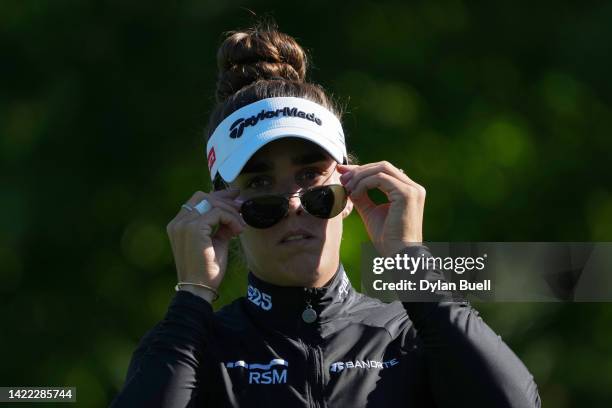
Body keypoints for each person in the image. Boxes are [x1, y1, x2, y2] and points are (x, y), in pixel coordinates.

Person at [110, 22, 541, 408]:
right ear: (222, 209)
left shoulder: (410, 336)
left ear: (349, 189)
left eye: (311, 176)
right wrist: (192, 294)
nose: (294, 203)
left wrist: (411, 263)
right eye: (260, 186)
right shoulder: (197, 350)